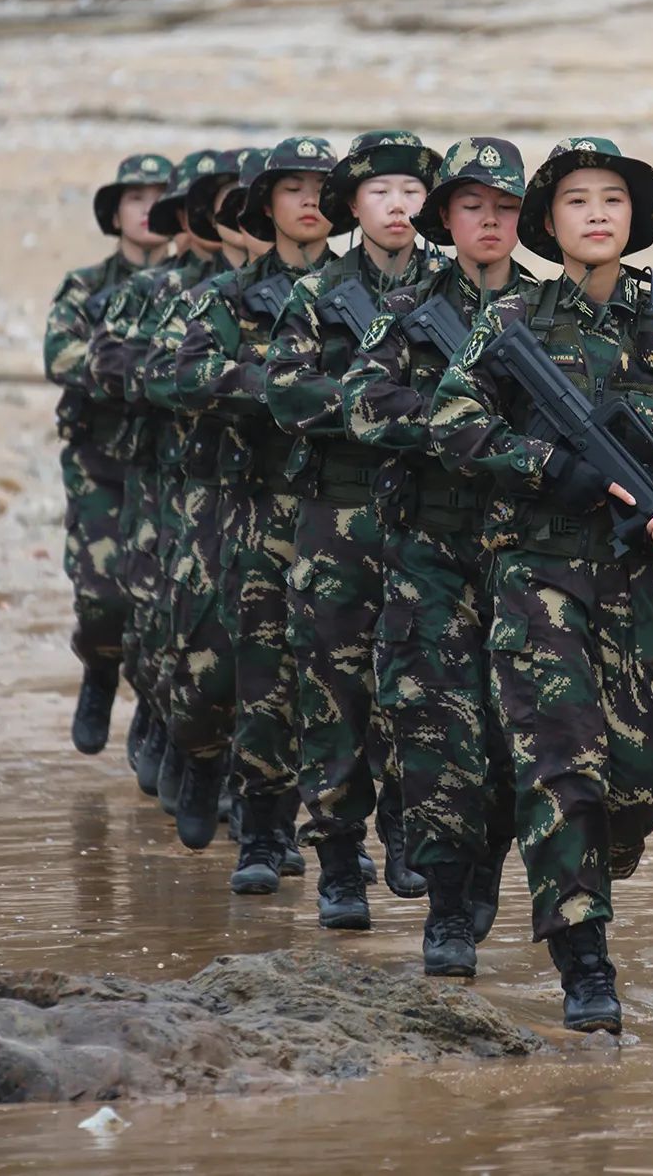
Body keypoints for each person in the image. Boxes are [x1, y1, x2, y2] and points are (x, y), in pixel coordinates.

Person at [430, 136, 653, 1033]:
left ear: (635, 217)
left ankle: (572, 857)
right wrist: (547, 469)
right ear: (548, 221)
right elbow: (452, 420)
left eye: (613, 198)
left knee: (642, 774)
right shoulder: (515, 314)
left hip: (643, 580)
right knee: (561, 766)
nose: (598, 212)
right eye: (576, 200)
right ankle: (585, 966)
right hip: (541, 572)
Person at [340, 137, 528, 976]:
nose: (488, 221)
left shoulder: (550, 310)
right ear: (443, 217)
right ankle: (447, 907)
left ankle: (488, 854)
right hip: (430, 551)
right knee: (433, 727)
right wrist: (468, 435)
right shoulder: (413, 304)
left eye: (505, 208)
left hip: (528, 555)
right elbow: (364, 407)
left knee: (512, 732)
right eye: (471, 207)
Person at [265, 130, 443, 929]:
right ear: (354, 207)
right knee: (332, 682)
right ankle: (337, 856)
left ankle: (405, 819)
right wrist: (392, 414)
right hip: (336, 515)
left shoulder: (457, 293)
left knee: (422, 678)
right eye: (380, 193)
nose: (398, 205)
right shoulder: (316, 293)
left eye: (412, 192)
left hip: (429, 515)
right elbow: (289, 398)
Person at [175, 138, 335, 894]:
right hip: (256, 506)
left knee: (343, 677)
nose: (308, 199)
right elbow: (189, 377)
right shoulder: (233, 296)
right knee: (258, 670)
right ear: (263, 206)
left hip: (344, 511)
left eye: (321, 186)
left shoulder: (363, 294)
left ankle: (341, 835)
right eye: (291, 187)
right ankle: (261, 824)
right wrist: (288, 386)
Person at [87, 151, 228, 802]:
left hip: (259, 483)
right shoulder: (154, 293)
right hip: (160, 474)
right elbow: (103, 365)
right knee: (157, 612)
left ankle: (256, 800)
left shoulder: (284, 292)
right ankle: (167, 723)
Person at [143, 150, 259, 844]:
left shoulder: (328, 293)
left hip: (301, 500)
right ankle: (198, 755)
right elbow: (161, 374)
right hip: (198, 490)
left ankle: (272, 818)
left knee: (294, 663)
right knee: (198, 642)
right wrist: (266, 385)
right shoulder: (190, 296)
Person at [44, 153, 172, 756]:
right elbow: (59, 355)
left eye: (159, 197)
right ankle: (98, 670)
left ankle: (155, 709)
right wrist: (137, 371)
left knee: (165, 604)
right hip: (100, 463)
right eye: (134, 198)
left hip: (169, 465)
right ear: (115, 213)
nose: (147, 209)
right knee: (102, 598)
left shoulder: (193, 286)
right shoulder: (87, 286)